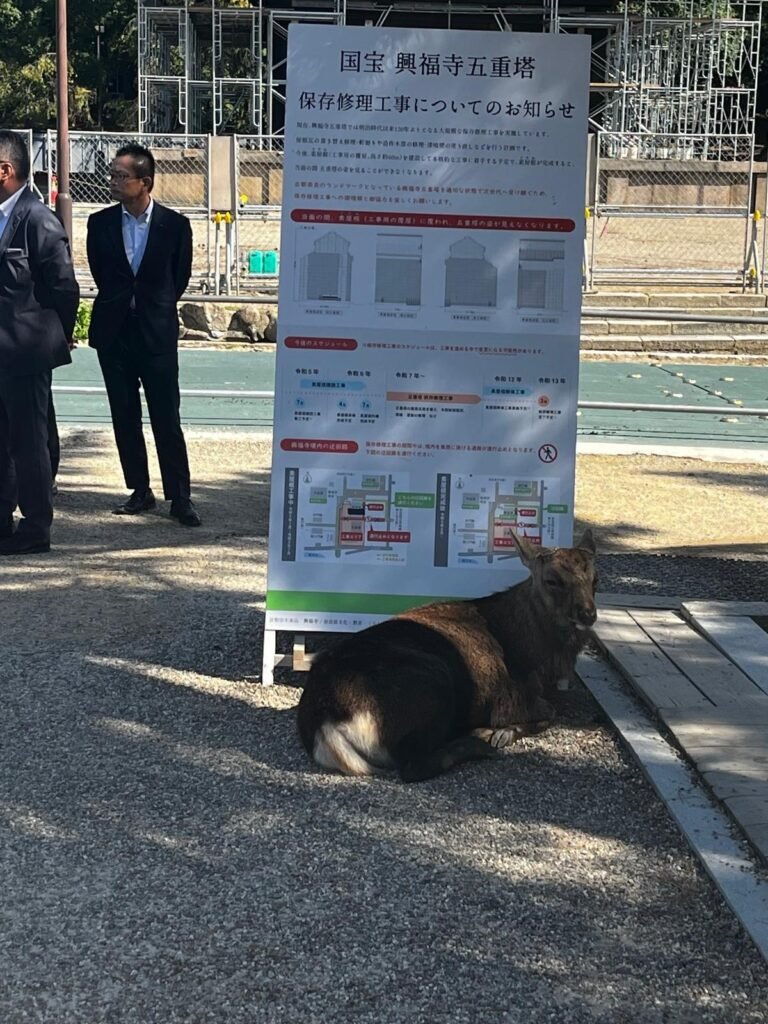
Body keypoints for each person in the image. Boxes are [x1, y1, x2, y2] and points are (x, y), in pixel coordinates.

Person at [86, 143, 201, 527]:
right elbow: (103, 274)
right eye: (113, 175)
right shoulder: (99, 223)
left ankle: (180, 496)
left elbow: (178, 278)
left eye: (122, 176)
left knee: (166, 416)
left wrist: (152, 306)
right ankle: (140, 489)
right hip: (115, 333)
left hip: (156, 334)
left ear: (145, 182)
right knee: (124, 415)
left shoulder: (174, 225)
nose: (113, 182)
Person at [0, 130, 79, 555]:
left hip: (25, 353)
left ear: (5, 170)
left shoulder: (37, 219)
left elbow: (64, 288)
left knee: (29, 442)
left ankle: (35, 526)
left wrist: (50, 339)